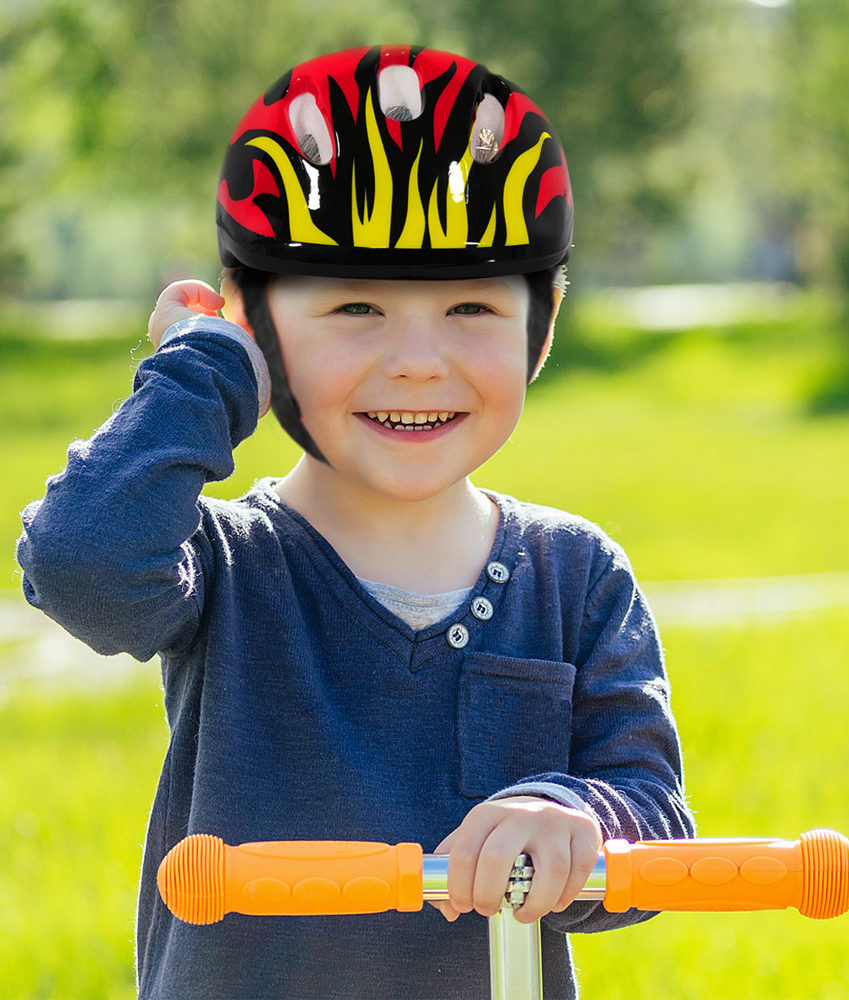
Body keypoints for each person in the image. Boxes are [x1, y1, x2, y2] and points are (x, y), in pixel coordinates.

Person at [17, 45, 694, 1000]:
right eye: (355, 307)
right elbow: (80, 562)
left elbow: (653, 813)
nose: (417, 362)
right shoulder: (225, 566)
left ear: (538, 332)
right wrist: (203, 375)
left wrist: (571, 813)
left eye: (469, 306)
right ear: (257, 324)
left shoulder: (573, 575)